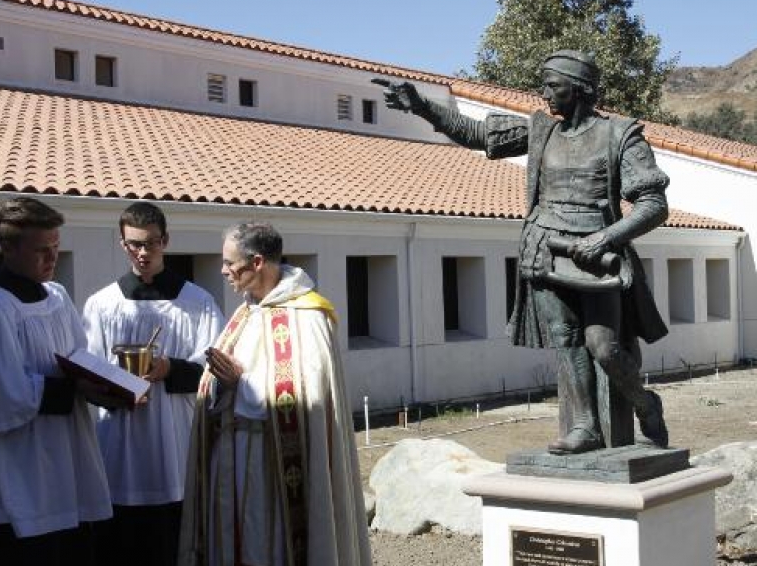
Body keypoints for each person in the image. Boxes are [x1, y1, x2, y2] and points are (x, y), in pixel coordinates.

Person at [378, 50, 669, 454]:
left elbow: (654, 204)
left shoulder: (620, 134)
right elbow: (477, 133)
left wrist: (606, 239)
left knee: (605, 347)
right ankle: (584, 425)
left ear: (581, 88)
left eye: (554, 84)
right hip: (545, 249)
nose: (545, 92)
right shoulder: (541, 132)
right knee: (565, 340)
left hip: (597, 258)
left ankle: (645, 402)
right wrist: (424, 107)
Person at [178, 222, 372, 566]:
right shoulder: (244, 313)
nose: (222, 271)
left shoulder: (309, 316)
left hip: (274, 469)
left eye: (229, 263)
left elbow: (306, 399)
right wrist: (219, 384)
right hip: (230, 458)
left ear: (256, 263)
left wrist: (241, 382)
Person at [0, 196, 112, 566]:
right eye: (42, 250)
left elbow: (78, 358)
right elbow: (5, 396)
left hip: (67, 461)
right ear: (8, 247)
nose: (52, 258)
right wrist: (76, 387)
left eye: (56, 247)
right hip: (19, 470)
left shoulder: (57, 297)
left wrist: (107, 383)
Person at [83, 201, 225, 566]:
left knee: (170, 542)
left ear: (165, 240)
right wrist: (118, 391)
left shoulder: (197, 302)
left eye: (151, 243)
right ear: (122, 244)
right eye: (134, 244)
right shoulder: (102, 305)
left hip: (174, 445)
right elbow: (88, 370)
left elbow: (215, 371)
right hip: (120, 446)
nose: (143, 252)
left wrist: (170, 369)